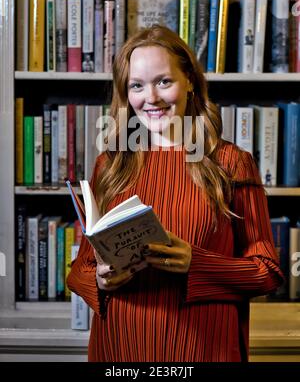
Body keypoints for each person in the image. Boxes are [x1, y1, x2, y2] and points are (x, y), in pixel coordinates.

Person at [67, 25, 283, 362]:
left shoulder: (231, 163)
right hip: (120, 348)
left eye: (163, 82)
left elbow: (267, 271)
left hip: (204, 346)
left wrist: (195, 263)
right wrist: (99, 279)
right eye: (137, 85)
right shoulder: (109, 165)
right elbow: (79, 270)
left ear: (190, 82)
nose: (150, 98)